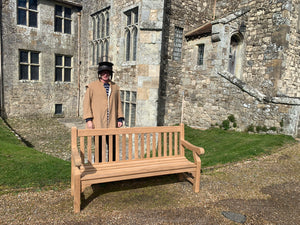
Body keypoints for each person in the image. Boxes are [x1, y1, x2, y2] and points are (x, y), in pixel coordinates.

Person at [83, 61, 124, 162]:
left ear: (110, 74)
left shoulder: (115, 87)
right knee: (99, 147)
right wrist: (89, 120)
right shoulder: (92, 87)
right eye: (103, 72)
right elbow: (86, 104)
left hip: (112, 123)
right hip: (98, 122)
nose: (105, 74)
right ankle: (99, 167)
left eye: (108, 73)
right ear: (100, 74)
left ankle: (112, 167)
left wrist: (119, 118)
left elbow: (118, 103)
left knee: (113, 147)